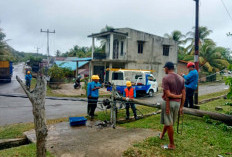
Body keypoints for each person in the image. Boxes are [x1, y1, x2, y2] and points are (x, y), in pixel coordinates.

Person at [160, 62, 185, 150]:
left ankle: (171, 144)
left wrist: (177, 96)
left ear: (167, 68)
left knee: (169, 123)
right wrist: (181, 106)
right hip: (177, 104)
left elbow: (168, 94)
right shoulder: (181, 78)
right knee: (169, 121)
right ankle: (162, 135)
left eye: (164, 68)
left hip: (168, 103)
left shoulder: (166, 78)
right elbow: (183, 93)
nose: (164, 70)